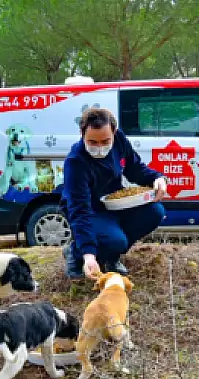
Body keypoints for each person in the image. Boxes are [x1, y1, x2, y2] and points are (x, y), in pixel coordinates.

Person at [60, 107, 168, 279]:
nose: (100, 147)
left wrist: (156, 178)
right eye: (92, 142)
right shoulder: (75, 162)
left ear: (114, 132)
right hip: (90, 209)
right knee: (115, 241)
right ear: (82, 134)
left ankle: (111, 256)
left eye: (105, 141)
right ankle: (76, 252)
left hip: (114, 201)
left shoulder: (119, 140)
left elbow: (134, 168)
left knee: (155, 212)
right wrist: (89, 254)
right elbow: (79, 210)